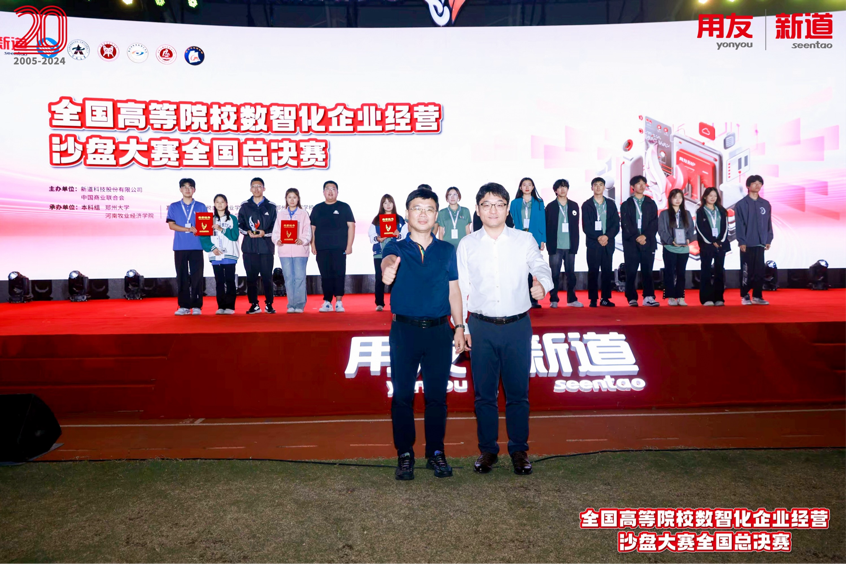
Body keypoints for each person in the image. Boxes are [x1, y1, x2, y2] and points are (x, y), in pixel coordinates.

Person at [457, 182, 554, 476]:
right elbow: (462, 288)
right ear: (478, 210)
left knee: (518, 393)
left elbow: (541, 266)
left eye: (499, 204)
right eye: (486, 204)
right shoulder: (467, 244)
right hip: (481, 327)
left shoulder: (524, 240)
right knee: (484, 395)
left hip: (517, 326)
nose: (493, 210)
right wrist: (461, 326)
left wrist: (542, 284)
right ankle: (488, 450)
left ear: (507, 208)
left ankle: (519, 449)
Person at [381, 188, 466, 481]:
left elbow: (454, 291)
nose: (423, 214)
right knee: (402, 396)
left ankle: (436, 453)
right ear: (407, 213)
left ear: (435, 215)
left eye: (429, 209)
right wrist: (387, 270)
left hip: (439, 332)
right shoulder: (395, 246)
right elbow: (387, 262)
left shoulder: (446, 250)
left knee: (437, 398)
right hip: (404, 332)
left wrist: (460, 326)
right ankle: (405, 454)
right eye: (417, 208)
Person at [310, 180, 355, 312]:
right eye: (328, 189)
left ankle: (339, 302)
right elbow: (312, 228)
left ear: (337, 192)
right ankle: (327, 301)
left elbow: (351, 226)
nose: (330, 191)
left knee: (339, 274)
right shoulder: (317, 208)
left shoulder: (344, 207)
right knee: (325, 275)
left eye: (333, 189)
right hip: (322, 248)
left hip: (339, 248)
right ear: (323, 192)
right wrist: (313, 244)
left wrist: (349, 245)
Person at [166, 178, 206, 315]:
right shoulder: (174, 206)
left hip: (197, 246)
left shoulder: (201, 206)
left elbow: (205, 227)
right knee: (181, 276)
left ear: (194, 190)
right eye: (184, 187)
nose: (187, 189)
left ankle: (197, 305)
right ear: (180, 189)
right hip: (180, 247)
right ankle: (183, 306)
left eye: (190, 187)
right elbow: (171, 225)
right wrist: (188, 229)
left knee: (197, 277)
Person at [237, 178, 277, 315]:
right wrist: (247, 232)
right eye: (253, 186)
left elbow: (276, 227)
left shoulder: (271, 206)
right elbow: (240, 225)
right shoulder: (245, 206)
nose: (256, 189)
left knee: (267, 277)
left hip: (266, 248)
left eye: (259, 186)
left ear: (264, 188)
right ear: (250, 189)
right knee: (251, 278)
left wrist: (265, 233)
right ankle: (254, 304)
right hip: (249, 248)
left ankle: (269, 304)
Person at [620, 175, 660, 307]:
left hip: (648, 242)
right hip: (631, 243)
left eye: (644, 183)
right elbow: (625, 223)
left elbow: (654, 223)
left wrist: (645, 236)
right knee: (631, 271)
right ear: (632, 187)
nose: (642, 186)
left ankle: (648, 297)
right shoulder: (626, 204)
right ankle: (631, 297)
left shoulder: (651, 203)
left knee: (647, 270)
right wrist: (637, 237)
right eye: (638, 184)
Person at [735, 175, 773, 305]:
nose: (757, 185)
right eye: (754, 183)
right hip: (747, 243)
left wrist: (768, 239)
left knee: (759, 271)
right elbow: (739, 224)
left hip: (760, 242)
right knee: (746, 271)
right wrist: (741, 241)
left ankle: (757, 296)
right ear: (748, 186)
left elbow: (768, 223)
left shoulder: (765, 204)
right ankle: (745, 295)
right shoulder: (741, 204)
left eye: (759, 183)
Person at [581, 177, 620, 307]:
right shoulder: (587, 205)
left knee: (607, 271)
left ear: (604, 187)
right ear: (592, 188)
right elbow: (586, 226)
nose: (598, 187)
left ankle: (605, 298)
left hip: (608, 243)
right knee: (593, 271)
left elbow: (615, 224)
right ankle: (593, 299)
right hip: (593, 243)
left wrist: (606, 237)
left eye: (601, 185)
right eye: (595, 185)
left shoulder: (611, 204)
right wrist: (599, 237)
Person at [271, 188, 311, 314]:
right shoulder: (281, 214)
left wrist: (303, 240)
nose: (292, 200)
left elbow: (307, 231)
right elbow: (276, 231)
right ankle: (291, 304)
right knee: (288, 278)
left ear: (298, 199)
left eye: (294, 197)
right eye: (289, 197)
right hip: (285, 251)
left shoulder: (303, 213)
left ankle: (299, 304)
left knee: (299, 277)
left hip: (300, 250)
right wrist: (277, 240)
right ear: (286, 199)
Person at [544, 179, 582, 308]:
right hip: (555, 246)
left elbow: (576, 227)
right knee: (554, 275)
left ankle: (571, 299)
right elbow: (547, 226)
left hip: (570, 246)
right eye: (560, 187)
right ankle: (553, 299)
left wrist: (576, 244)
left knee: (571, 274)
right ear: (555, 190)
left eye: (565, 187)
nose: (562, 189)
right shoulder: (550, 207)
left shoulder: (574, 206)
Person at [510, 177, 547, 308]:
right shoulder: (515, 203)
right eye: (524, 185)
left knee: (533, 269)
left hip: (534, 237)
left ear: (533, 187)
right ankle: (520, 299)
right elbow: (511, 220)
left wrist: (542, 240)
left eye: (529, 185)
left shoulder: (539, 202)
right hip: (518, 238)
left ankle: (533, 299)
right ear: (520, 187)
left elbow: (542, 221)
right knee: (520, 270)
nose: (526, 187)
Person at [200, 194, 240, 315]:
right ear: (214, 204)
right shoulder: (209, 219)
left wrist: (221, 229)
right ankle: (221, 306)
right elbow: (204, 237)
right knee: (219, 281)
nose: (220, 204)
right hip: (215, 254)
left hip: (230, 254)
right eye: (217, 202)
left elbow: (235, 236)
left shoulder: (232, 218)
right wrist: (212, 248)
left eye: (222, 202)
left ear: (226, 204)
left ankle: (230, 307)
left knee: (230, 280)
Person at [368, 194, 408, 311]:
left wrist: (398, 235)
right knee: (379, 277)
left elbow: (406, 235)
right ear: (382, 205)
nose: (388, 205)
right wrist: (377, 238)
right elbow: (371, 235)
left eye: (390, 202)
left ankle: (394, 302)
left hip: (395, 253)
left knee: (395, 278)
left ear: (393, 204)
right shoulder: (376, 220)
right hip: (379, 252)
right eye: (385, 203)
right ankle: (379, 303)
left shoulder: (400, 219)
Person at [658, 189, 696, 306]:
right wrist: (671, 241)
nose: (678, 200)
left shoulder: (687, 213)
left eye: (680, 197)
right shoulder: (664, 214)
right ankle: (670, 297)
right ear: (670, 199)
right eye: (675, 197)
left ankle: (680, 297)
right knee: (669, 272)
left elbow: (691, 229)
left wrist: (688, 239)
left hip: (683, 249)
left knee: (681, 273)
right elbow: (661, 230)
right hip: (669, 247)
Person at [696, 187, 730, 306]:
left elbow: (726, 227)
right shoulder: (700, 211)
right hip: (706, 245)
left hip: (721, 244)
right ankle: (706, 298)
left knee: (719, 270)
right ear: (705, 197)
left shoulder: (722, 211)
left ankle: (719, 298)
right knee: (705, 270)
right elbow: (700, 229)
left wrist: (720, 241)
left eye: (715, 196)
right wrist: (711, 241)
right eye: (710, 195)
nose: (713, 198)